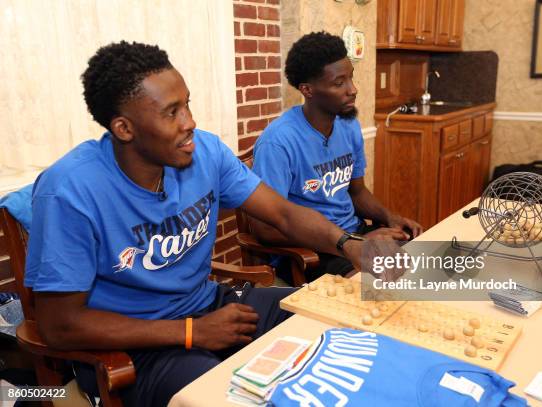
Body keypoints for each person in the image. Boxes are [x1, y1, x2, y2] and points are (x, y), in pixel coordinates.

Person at [24, 41, 365, 407]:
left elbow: (282, 213)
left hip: (207, 305)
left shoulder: (206, 151)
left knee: (333, 321)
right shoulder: (69, 190)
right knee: (225, 397)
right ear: (125, 128)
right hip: (136, 345)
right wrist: (190, 332)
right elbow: (60, 326)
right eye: (172, 112)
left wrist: (350, 244)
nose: (190, 122)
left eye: (187, 103)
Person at [252, 32, 423, 282]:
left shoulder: (348, 124)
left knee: (420, 261)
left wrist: (390, 217)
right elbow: (265, 228)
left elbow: (356, 192)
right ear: (308, 90)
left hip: (352, 234)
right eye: (338, 83)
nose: (353, 90)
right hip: (310, 249)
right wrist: (352, 242)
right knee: (382, 286)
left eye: (350, 78)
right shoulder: (278, 142)